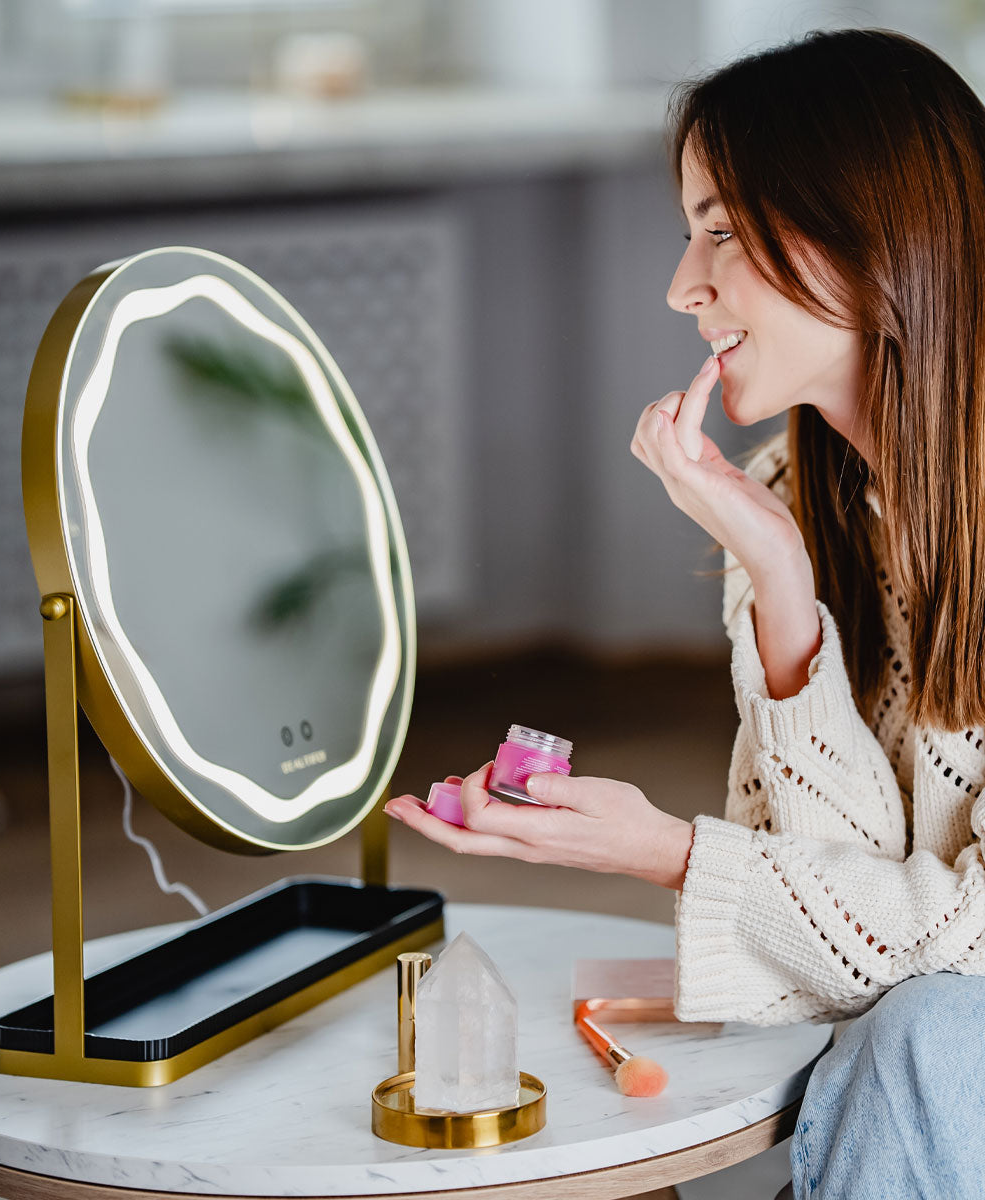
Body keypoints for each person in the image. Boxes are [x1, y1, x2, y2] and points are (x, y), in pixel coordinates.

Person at [384, 28, 985, 1198]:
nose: (680, 285)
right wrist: (780, 584)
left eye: (719, 228)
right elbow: (843, 944)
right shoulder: (778, 499)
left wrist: (666, 854)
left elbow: (961, 946)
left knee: (917, 1047)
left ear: (872, 237)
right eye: (688, 228)